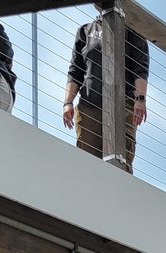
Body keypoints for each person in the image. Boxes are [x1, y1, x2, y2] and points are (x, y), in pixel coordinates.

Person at [62, 6, 150, 171]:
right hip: (89, 108)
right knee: (87, 166)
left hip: (122, 108)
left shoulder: (132, 30)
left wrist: (140, 99)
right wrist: (67, 103)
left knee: (120, 165)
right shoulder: (85, 31)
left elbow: (141, 69)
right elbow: (75, 71)